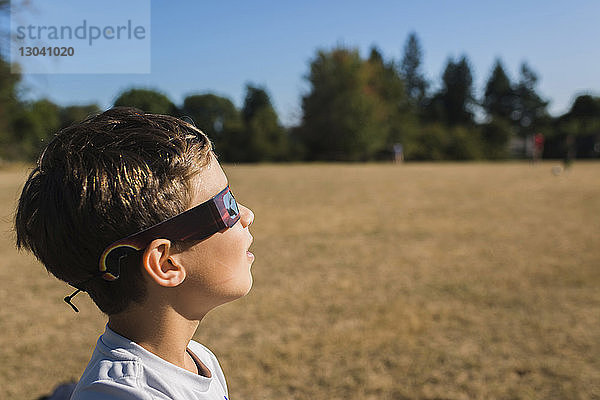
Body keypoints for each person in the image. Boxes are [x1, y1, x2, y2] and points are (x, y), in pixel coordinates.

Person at [14, 107, 256, 399]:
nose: (246, 214)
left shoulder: (197, 358)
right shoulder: (120, 394)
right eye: (225, 205)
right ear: (165, 263)